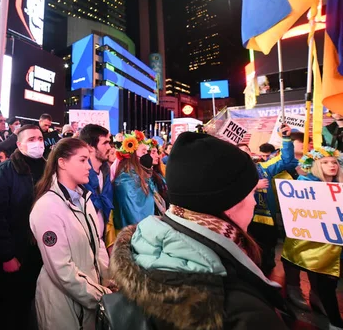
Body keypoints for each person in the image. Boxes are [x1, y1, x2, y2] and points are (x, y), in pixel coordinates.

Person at [107, 132, 289, 330]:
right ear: (227, 201)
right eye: (251, 193)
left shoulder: (146, 246)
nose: (254, 202)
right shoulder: (242, 312)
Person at [30, 138, 111, 330]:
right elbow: (61, 269)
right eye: (82, 160)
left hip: (89, 295)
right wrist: (100, 295)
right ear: (62, 162)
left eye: (88, 160)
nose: (89, 167)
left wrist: (106, 280)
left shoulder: (85, 200)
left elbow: (97, 243)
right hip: (62, 303)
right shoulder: (47, 207)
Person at [0, 124, 46, 329]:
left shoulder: (50, 168)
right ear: (19, 145)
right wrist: (7, 255)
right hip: (16, 252)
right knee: (12, 310)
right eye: (31, 140)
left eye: (39, 138)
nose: (37, 143)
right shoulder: (5, 171)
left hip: (42, 252)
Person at [281, 147, 343, 329]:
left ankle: (319, 303)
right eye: (325, 162)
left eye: (334, 162)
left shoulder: (340, 185)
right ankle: (334, 322)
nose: (331, 165)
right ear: (316, 165)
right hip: (312, 244)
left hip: (335, 243)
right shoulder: (305, 184)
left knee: (329, 280)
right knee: (327, 280)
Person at [240, 126, 296, 276]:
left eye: (246, 151)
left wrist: (286, 139)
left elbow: (286, 160)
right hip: (243, 222)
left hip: (265, 220)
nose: (243, 154)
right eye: (239, 152)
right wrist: (253, 186)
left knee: (268, 256)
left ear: (251, 154)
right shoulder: (231, 173)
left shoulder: (264, 168)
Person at [113, 131, 155, 231]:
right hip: (135, 234)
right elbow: (134, 213)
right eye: (143, 152)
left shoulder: (142, 175)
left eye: (147, 152)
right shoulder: (125, 180)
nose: (148, 156)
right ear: (132, 153)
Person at [79, 124, 113, 233]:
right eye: (105, 143)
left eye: (109, 142)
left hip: (100, 238)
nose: (109, 147)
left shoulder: (105, 171)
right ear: (90, 147)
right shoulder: (80, 177)